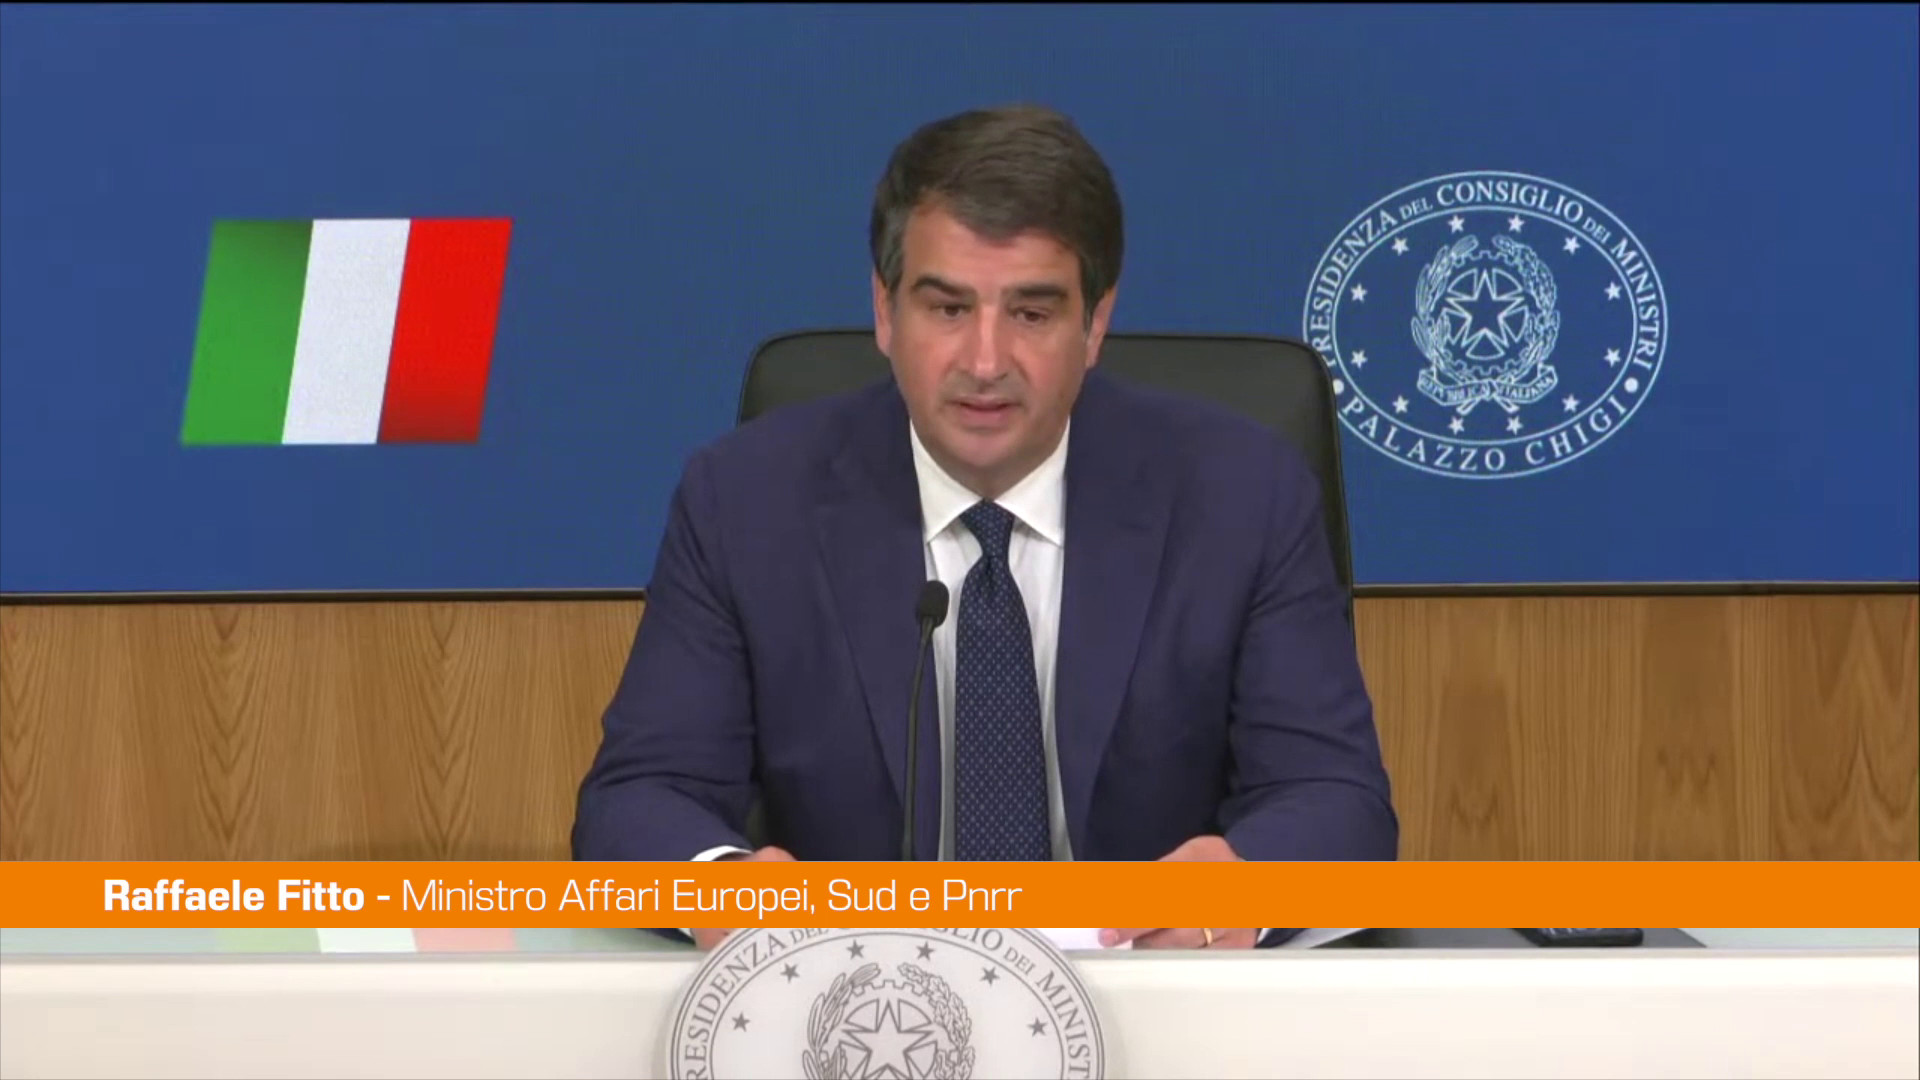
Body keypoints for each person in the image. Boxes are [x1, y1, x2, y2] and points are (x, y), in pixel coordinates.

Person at [571, 104, 1397, 951]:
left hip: (1149, 992)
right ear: (885, 312)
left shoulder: (1241, 495)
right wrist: (722, 884)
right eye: (947, 309)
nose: (985, 362)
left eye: (1032, 313)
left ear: (1095, 324)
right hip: (851, 998)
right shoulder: (746, 499)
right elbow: (638, 798)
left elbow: (1338, 802)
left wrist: (1244, 883)